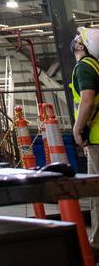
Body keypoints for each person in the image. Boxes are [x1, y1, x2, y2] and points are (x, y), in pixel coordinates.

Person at [70, 29, 99, 248]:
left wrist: (77, 129)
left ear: (82, 47)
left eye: (78, 39)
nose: (75, 41)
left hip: (97, 137)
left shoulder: (84, 67)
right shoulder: (96, 66)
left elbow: (87, 101)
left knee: (97, 191)